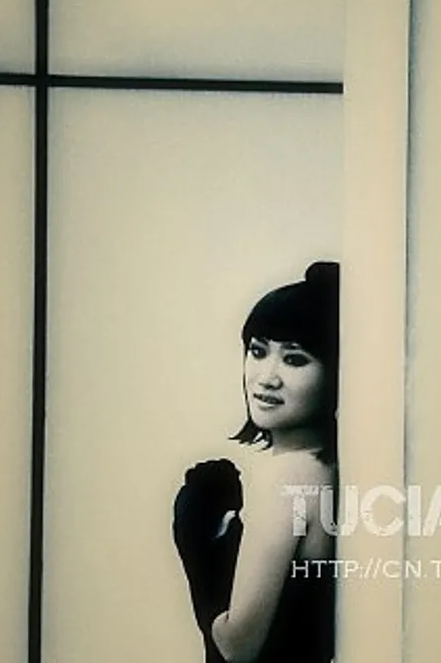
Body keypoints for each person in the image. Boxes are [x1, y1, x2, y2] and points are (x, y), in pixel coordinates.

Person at [172, 261, 339, 663]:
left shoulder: (288, 477)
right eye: (258, 351)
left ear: (335, 372)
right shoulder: (323, 470)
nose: (267, 377)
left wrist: (195, 543)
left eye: (295, 359)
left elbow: (237, 647)